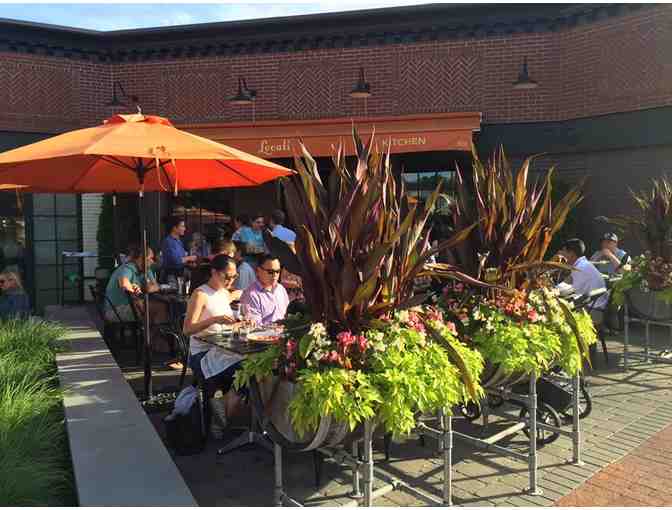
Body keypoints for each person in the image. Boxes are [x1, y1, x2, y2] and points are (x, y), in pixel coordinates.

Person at [182, 254, 244, 426]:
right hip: (203, 353)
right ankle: (226, 406)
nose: (231, 280)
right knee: (245, 369)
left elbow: (225, 326)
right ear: (214, 272)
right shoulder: (200, 294)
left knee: (254, 366)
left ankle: (228, 405)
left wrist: (241, 323)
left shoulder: (223, 292)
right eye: (227, 276)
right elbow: (187, 329)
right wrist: (214, 320)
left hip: (223, 348)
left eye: (234, 276)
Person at [556, 238, 609, 312]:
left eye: (563, 251)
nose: (561, 254)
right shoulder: (582, 264)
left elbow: (563, 291)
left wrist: (552, 290)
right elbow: (568, 281)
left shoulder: (580, 268)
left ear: (571, 254)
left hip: (594, 309)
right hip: (597, 303)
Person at [240, 254, 289, 326]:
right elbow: (255, 326)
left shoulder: (280, 289)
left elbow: (287, 315)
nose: (275, 275)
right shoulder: (251, 295)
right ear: (258, 271)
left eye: (278, 271)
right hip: (265, 332)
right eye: (270, 272)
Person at [160, 217, 198, 282]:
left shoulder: (179, 241)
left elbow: (181, 259)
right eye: (182, 226)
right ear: (174, 228)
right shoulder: (168, 241)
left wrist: (188, 264)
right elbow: (176, 261)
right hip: (171, 276)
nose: (184, 229)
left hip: (180, 274)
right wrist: (190, 258)